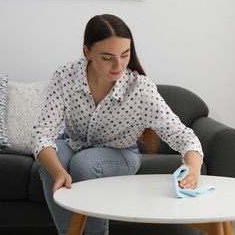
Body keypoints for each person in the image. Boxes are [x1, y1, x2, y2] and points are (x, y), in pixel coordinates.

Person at [32, 14, 203, 235]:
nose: (118, 65)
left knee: (84, 163)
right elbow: (41, 135)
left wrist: (193, 167)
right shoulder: (65, 76)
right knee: (54, 159)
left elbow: (183, 135)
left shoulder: (140, 89)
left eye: (125, 55)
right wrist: (57, 172)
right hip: (73, 144)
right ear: (88, 52)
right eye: (107, 57)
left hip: (121, 154)